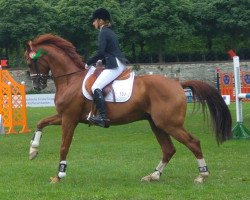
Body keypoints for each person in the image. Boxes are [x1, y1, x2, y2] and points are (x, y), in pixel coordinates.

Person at [86, 8, 127, 128]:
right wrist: (100, 61)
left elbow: (100, 51)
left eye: (94, 21)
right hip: (116, 61)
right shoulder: (110, 31)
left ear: (100, 21)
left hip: (115, 64)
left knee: (95, 87)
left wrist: (88, 63)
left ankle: (103, 118)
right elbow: (108, 52)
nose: (93, 23)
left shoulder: (103, 32)